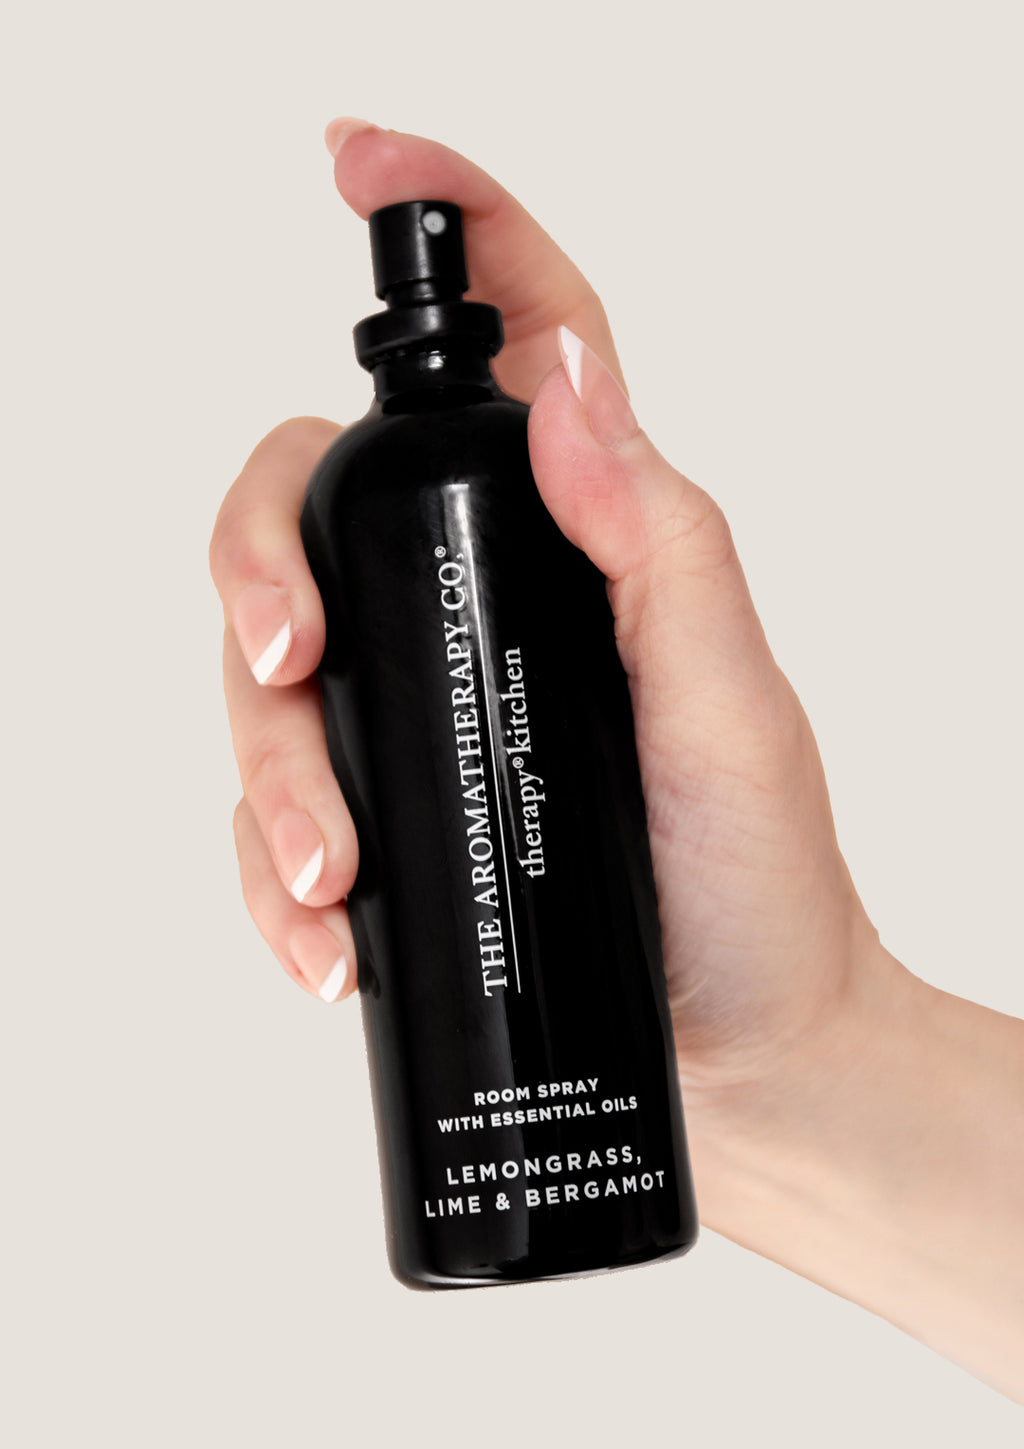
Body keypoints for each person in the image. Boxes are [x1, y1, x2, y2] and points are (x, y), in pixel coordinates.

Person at [208, 119, 1024, 1400]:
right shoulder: (361, 488)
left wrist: (812, 1039)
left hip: (654, 1100)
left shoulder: (513, 463)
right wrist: (792, 1061)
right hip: (556, 1133)